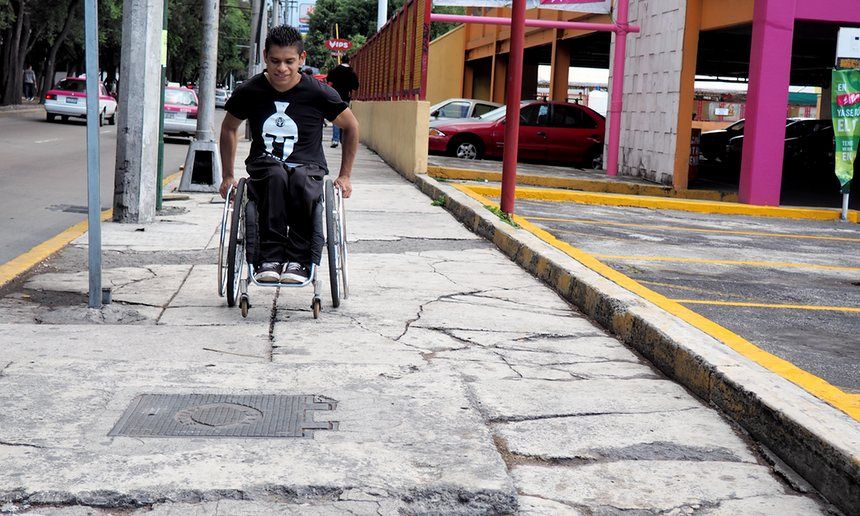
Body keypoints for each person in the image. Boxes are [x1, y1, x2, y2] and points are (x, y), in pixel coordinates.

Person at [219, 25, 358, 285]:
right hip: (265, 164)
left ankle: (298, 260)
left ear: (302, 59)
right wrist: (227, 176)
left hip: (309, 165)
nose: (281, 68)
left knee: (301, 180)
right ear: (265, 57)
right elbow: (228, 128)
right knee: (275, 175)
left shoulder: (318, 93)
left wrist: (346, 175)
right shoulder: (251, 90)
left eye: (289, 61)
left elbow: (351, 127)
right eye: (275, 61)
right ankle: (269, 258)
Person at [325, 54, 359, 148]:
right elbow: (355, 86)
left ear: (341, 61)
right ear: (349, 61)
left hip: (335, 96)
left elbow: (329, 79)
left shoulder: (335, 70)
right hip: (345, 97)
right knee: (345, 119)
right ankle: (343, 140)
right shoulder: (352, 73)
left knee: (336, 118)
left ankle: (335, 140)